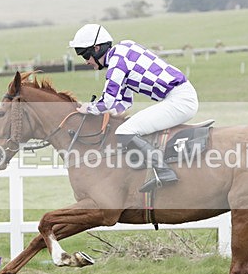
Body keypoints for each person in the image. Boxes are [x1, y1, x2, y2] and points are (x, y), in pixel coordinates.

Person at [69, 23, 199, 192]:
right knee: (128, 127)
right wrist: (111, 113)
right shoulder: (122, 51)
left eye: (85, 55)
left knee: (125, 131)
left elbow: (107, 101)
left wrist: (88, 108)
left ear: (97, 48)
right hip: (179, 97)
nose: (86, 61)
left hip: (180, 100)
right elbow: (124, 102)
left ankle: (164, 171)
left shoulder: (117, 62)